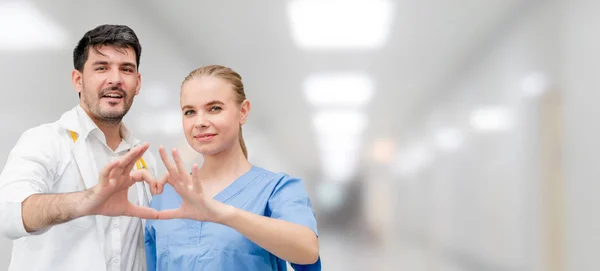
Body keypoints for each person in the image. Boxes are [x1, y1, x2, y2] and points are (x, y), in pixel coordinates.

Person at [0, 24, 163, 271]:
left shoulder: (144, 159)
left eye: (126, 69)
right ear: (78, 80)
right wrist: (87, 201)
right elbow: (8, 215)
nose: (116, 79)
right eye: (101, 68)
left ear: (137, 83)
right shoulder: (44, 141)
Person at [145, 65, 321, 270]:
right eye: (190, 112)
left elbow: (307, 250)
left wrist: (223, 213)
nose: (200, 122)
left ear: (243, 111)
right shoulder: (165, 197)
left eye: (215, 108)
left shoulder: (277, 190)